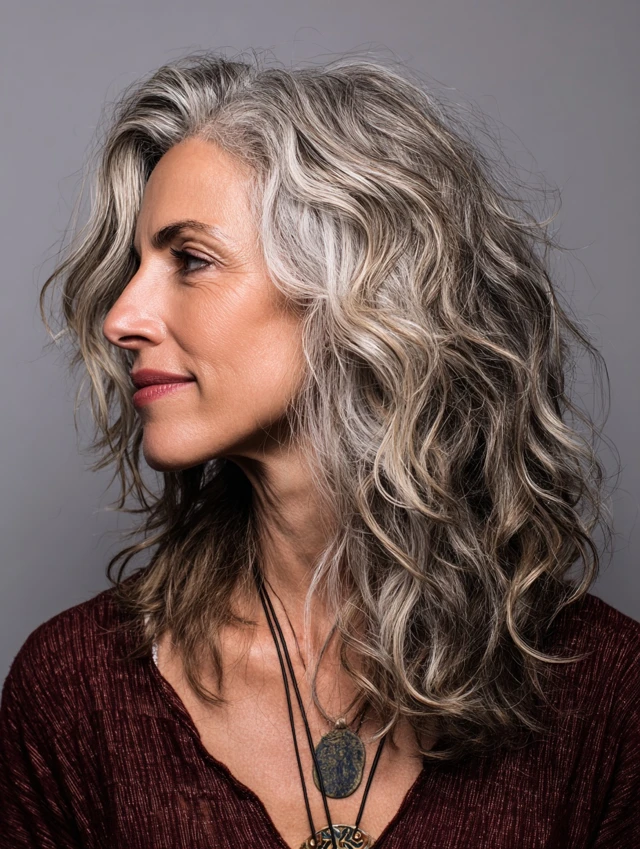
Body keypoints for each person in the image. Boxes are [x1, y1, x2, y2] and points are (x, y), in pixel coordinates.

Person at [0, 50, 638, 849]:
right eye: (136, 266)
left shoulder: (605, 694)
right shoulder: (76, 692)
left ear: (356, 290)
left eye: (189, 259)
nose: (122, 317)